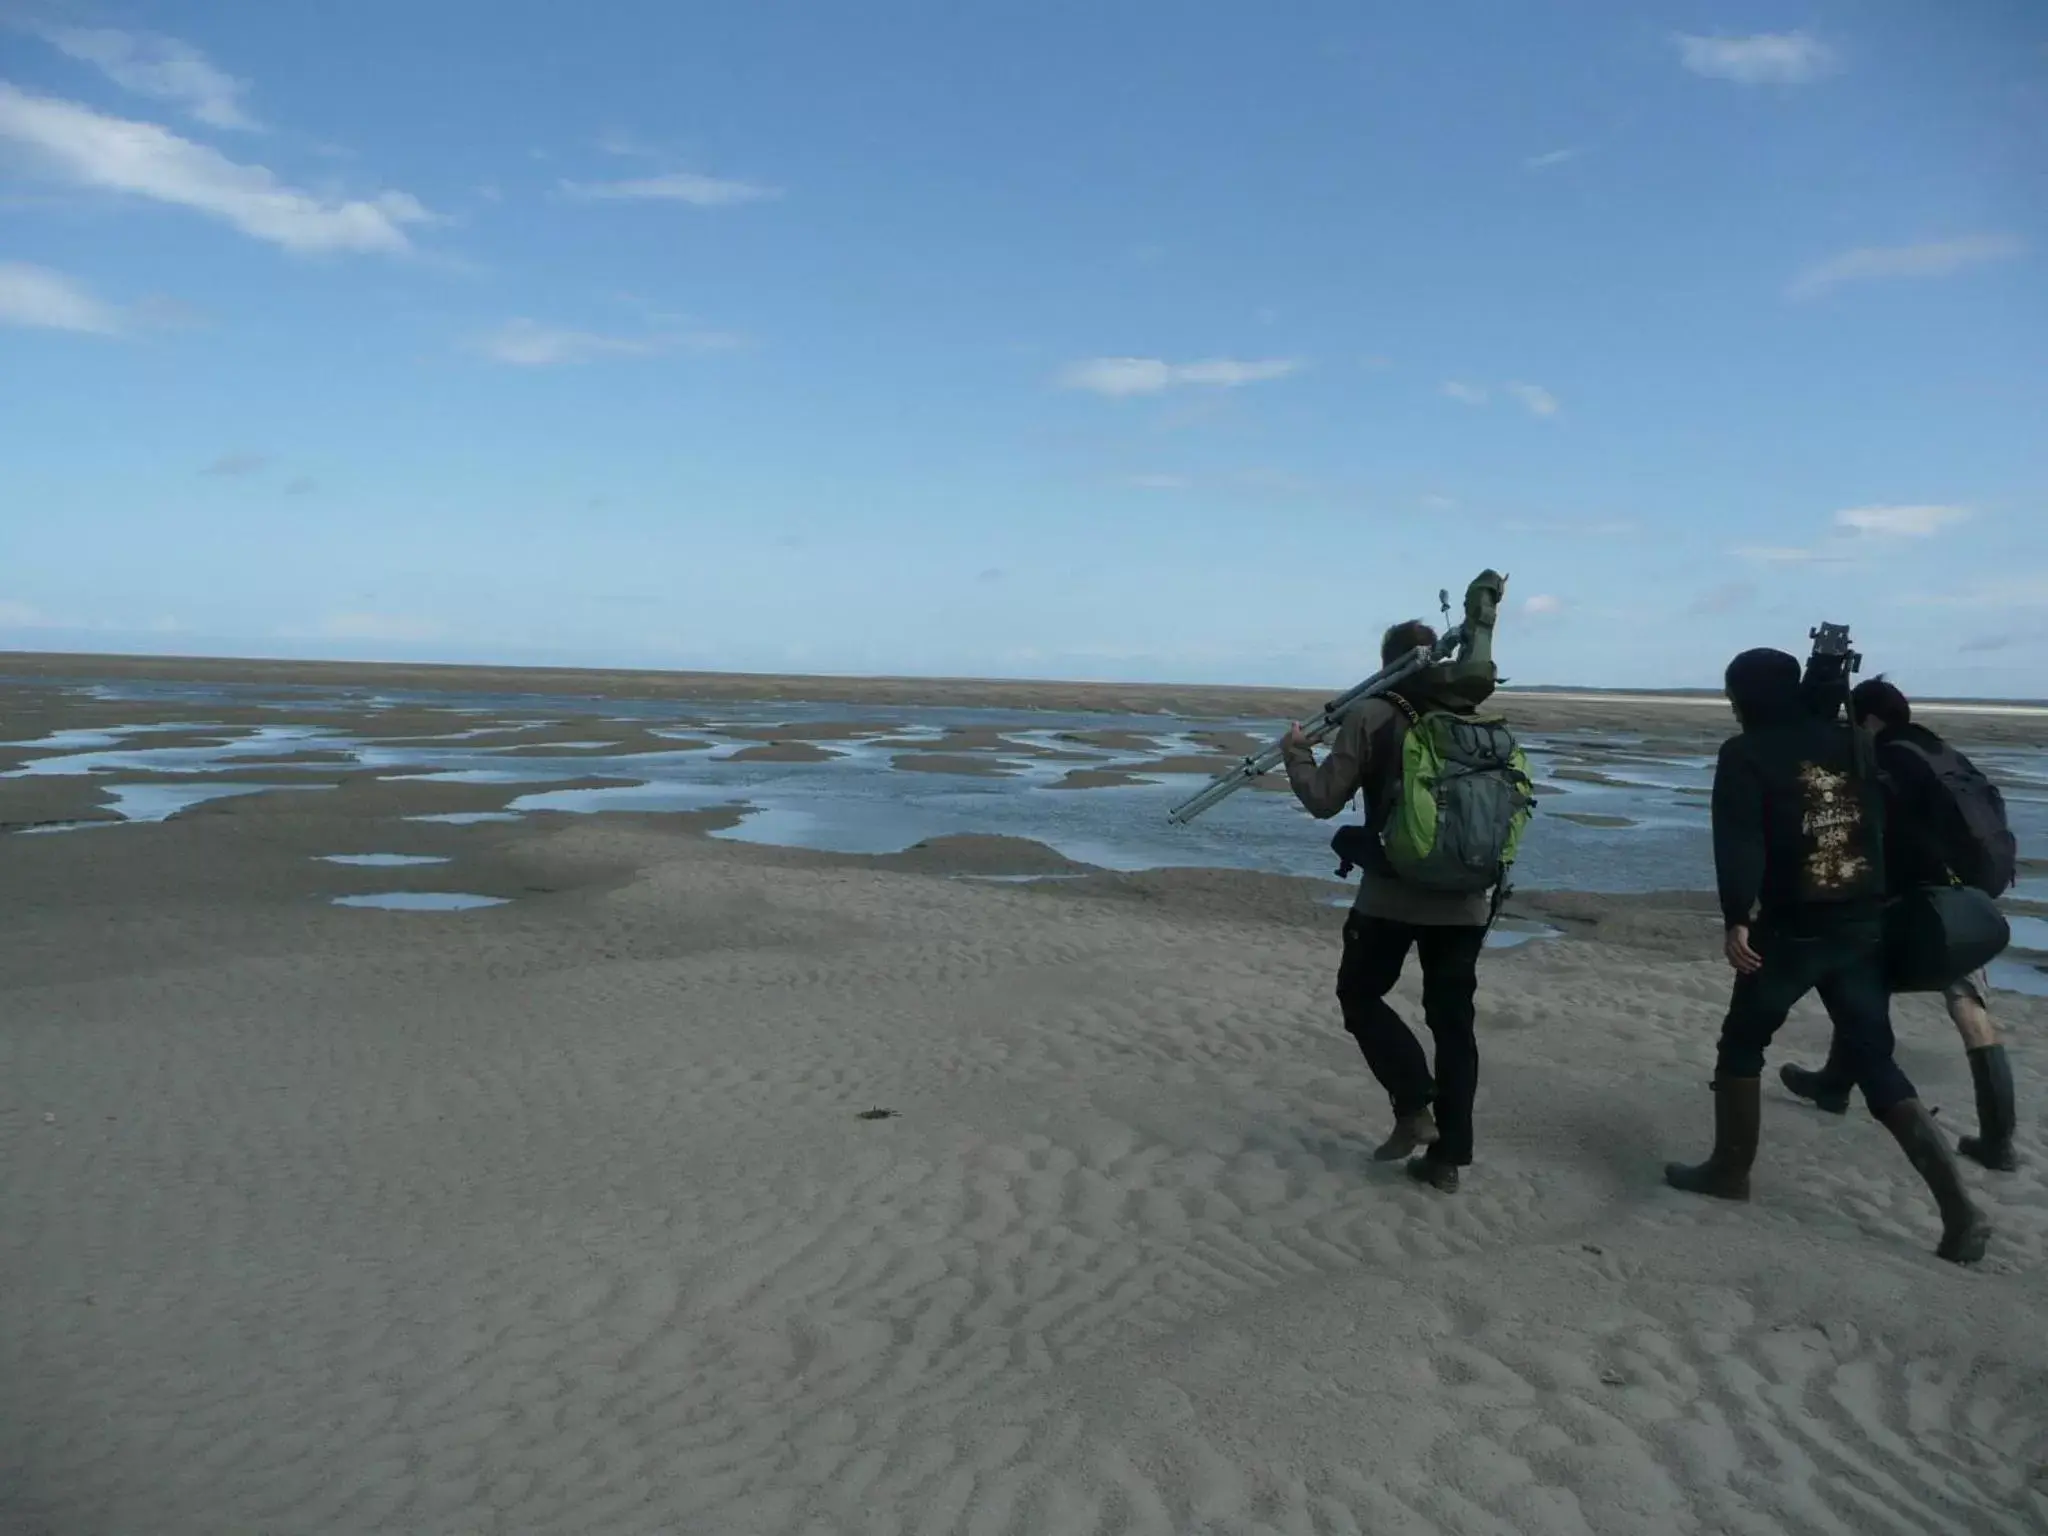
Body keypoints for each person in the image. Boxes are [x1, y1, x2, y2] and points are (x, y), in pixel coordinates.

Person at [1665, 648, 1990, 1264]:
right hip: (1862, 922)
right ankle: (1960, 1213)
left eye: (1733, 695)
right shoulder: (1851, 743)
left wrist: (1736, 916)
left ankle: (1729, 1172)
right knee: (1875, 1061)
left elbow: (1740, 840)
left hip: (1790, 929)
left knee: (1742, 1043)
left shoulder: (1746, 753)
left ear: (1745, 697)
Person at [1281, 578, 1506, 1195]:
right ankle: (1447, 1162)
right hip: (1465, 899)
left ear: (1387, 667)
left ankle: (1414, 1107)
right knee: (1453, 1024)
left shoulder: (1372, 715)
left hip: (1392, 894)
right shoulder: (1466, 717)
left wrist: (1296, 754)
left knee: (1359, 994)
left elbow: (1324, 800)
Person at [1780, 676, 2018, 1170]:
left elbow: (1881, 830)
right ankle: (1998, 1139)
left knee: (1861, 979)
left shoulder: (1888, 759)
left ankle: (1835, 1085)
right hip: (1972, 899)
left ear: (1868, 719)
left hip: (1921, 899)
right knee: (1967, 1005)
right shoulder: (1941, 752)